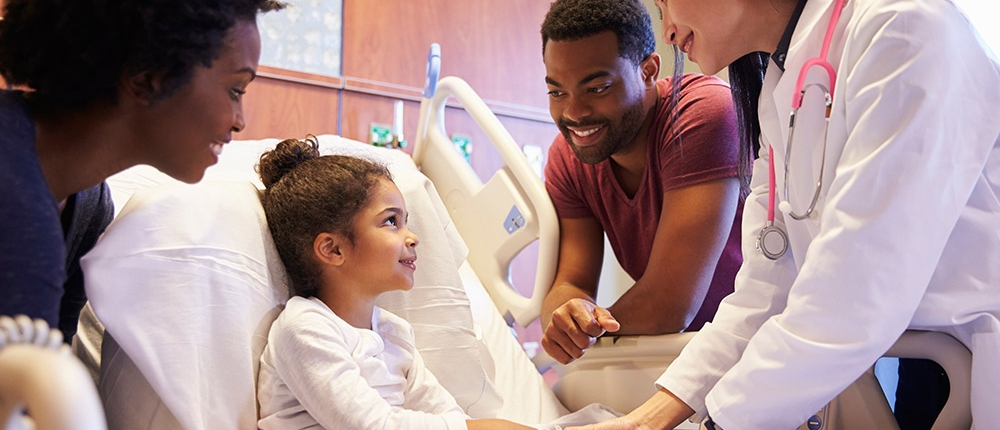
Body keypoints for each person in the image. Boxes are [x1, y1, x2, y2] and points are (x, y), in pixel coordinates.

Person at [574, 0, 1000, 428]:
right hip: (934, 360)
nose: (666, 30)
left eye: (666, 2)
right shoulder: (783, 88)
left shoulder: (906, 29)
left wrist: (717, 424)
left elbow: (855, 294)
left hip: (967, 355)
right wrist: (646, 420)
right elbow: (765, 290)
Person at [256, 137, 620, 430]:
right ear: (332, 249)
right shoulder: (303, 328)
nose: (412, 237)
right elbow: (375, 426)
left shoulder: (394, 333)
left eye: (406, 221)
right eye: (390, 222)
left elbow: (446, 414)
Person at [0, 0, 285, 342]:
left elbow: (47, 369)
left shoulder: (89, 206)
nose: (240, 122)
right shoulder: (14, 193)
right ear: (150, 76)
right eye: (235, 90)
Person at [538, 0, 744, 365]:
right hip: (681, 358)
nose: (573, 112)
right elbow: (571, 281)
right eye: (557, 92)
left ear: (648, 70)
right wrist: (565, 317)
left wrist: (589, 333)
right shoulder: (568, 158)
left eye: (597, 88)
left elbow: (668, 305)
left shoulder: (702, 115)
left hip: (764, 342)